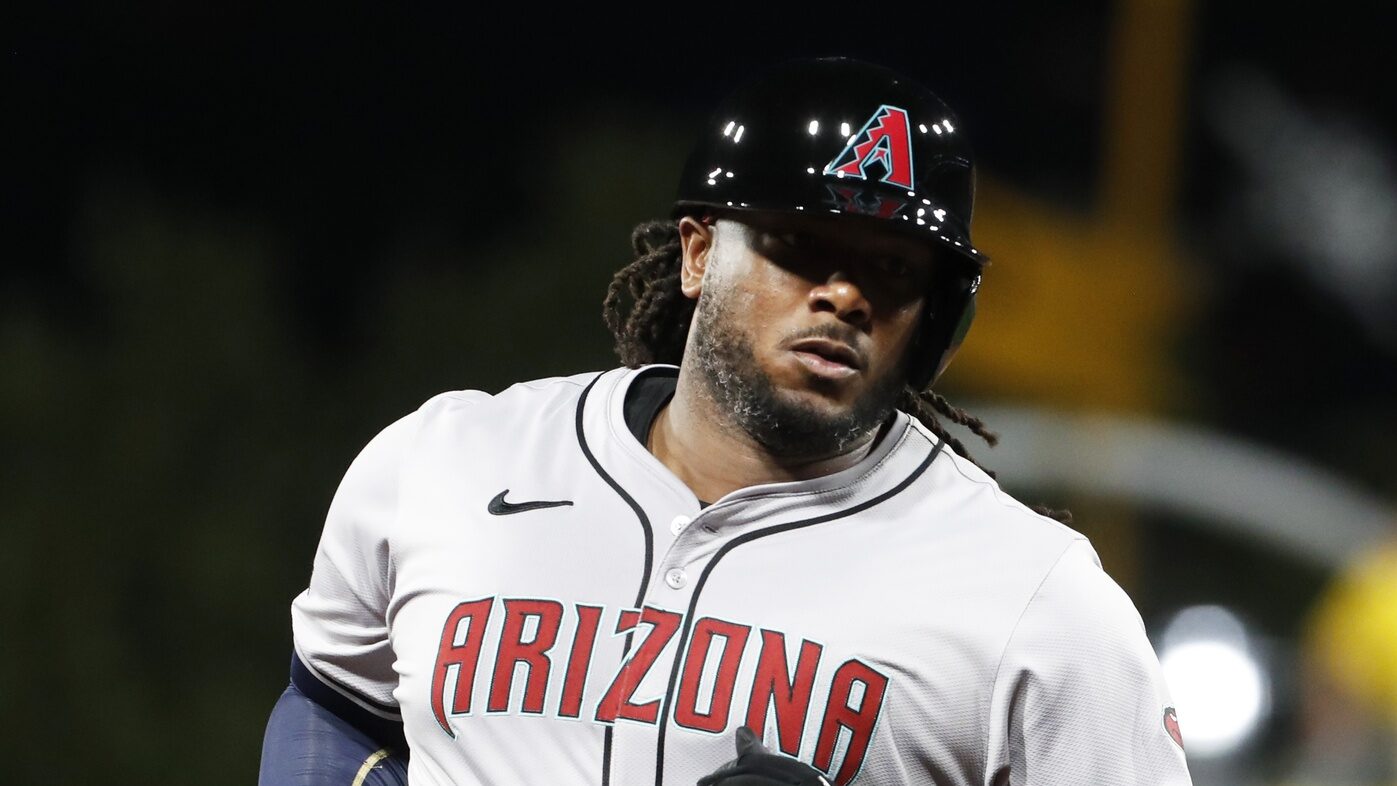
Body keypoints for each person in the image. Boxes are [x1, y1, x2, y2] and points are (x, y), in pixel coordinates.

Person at [259, 57, 1193, 785]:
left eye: (892, 272)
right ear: (699, 253)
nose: (842, 295)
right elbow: (336, 713)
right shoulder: (449, 464)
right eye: (800, 248)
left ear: (935, 321)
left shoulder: (1036, 602)